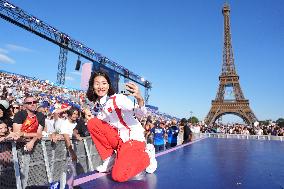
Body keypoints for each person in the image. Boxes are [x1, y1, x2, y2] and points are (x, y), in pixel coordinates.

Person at [84, 71, 157, 182]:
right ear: (92, 87)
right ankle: (110, 159)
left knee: (118, 176)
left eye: (104, 83)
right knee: (92, 123)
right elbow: (101, 130)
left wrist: (139, 98)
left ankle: (147, 154)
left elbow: (140, 114)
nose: (100, 86)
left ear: (108, 86)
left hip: (133, 139)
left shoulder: (118, 98)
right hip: (119, 141)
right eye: (97, 83)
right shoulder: (98, 109)